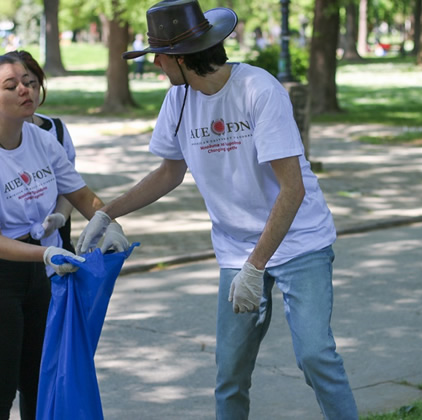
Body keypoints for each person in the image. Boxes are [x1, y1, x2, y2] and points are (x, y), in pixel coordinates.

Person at [77, 1, 358, 419]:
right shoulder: (178, 102)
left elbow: (293, 189)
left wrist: (255, 266)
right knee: (230, 373)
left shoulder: (258, 90)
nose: (154, 63)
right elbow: (169, 173)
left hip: (299, 241)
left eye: (158, 55)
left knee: (316, 356)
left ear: (181, 58)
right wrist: (107, 213)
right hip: (235, 247)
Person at [0, 52, 129, 419]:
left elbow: (79, 195)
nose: (25, 91)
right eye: (11, 86)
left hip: (39, 276)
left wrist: (109, 222)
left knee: (38, 382)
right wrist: (46, 255)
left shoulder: (42, 139)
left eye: (29, 82)